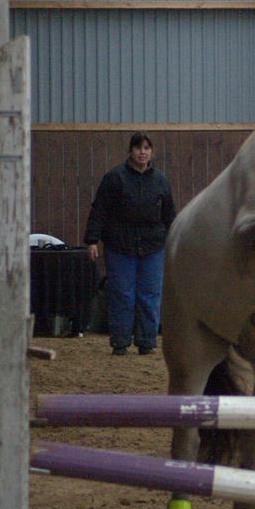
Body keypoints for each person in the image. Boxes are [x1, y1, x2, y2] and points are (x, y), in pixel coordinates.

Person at [84, 132, 175, 356]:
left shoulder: (161, 181)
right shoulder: (114, 178)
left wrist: (174, 240)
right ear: (130, 151)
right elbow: (100, 210)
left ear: (151, 152)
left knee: (150, 294)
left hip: (153, 246)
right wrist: (92, 240)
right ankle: (120, 341)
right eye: (138, 148)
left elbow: (169, 215)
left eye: (146, 148)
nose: (142, 152)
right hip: (119, 245)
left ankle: (147, 341)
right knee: (122, 294)